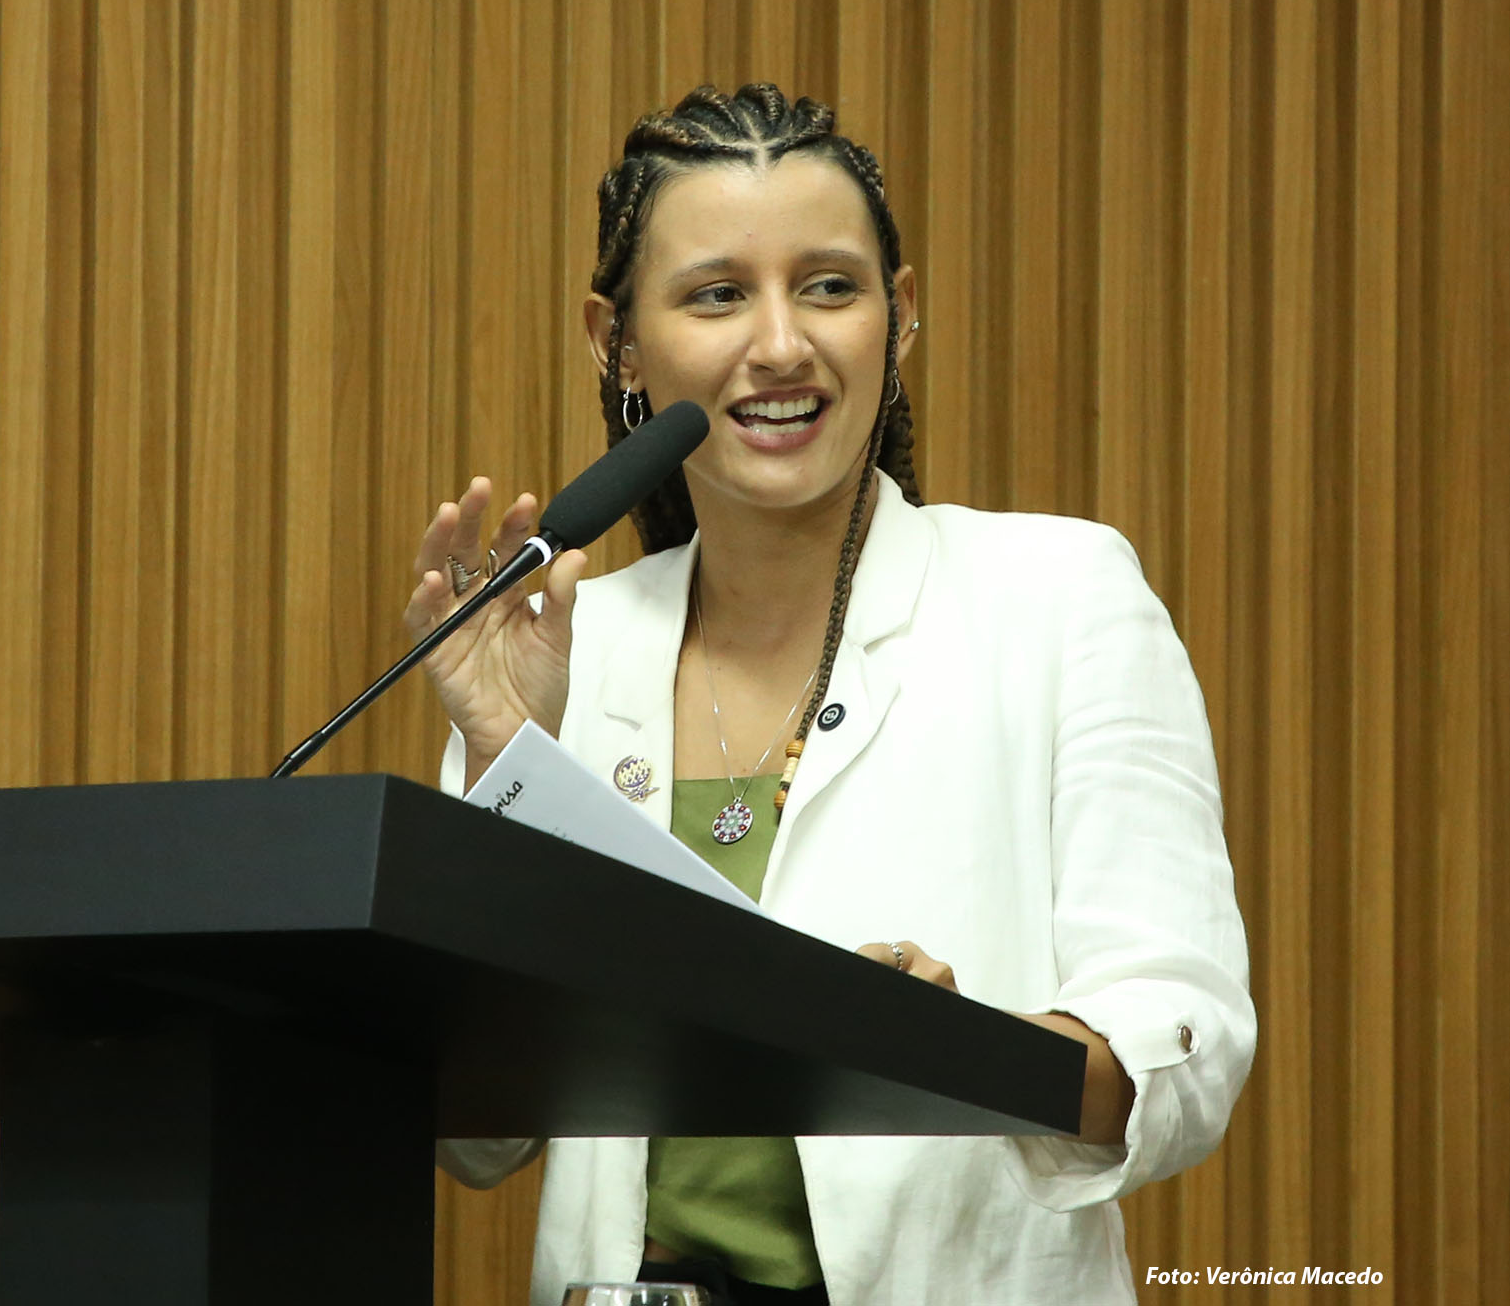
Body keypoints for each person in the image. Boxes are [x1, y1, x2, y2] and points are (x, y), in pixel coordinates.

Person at [407, 83, 1255, 1306]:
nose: (779, 345)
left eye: (826, 287)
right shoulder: (564, 646)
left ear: (897, 317)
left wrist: (957, 1051)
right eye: (715, 294)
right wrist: (507, 761)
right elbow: (476, 1136)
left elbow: (1184, 1046)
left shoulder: (1057, 596)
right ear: (616, 342)